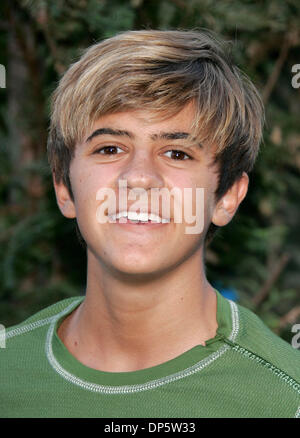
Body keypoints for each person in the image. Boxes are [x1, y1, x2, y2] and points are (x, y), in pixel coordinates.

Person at [1, 29, 299, 418]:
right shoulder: (9, 374)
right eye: (109, 148)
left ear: (227, 198)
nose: (139, 177)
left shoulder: (284, 399)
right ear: (64, 187)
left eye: (176, 153)